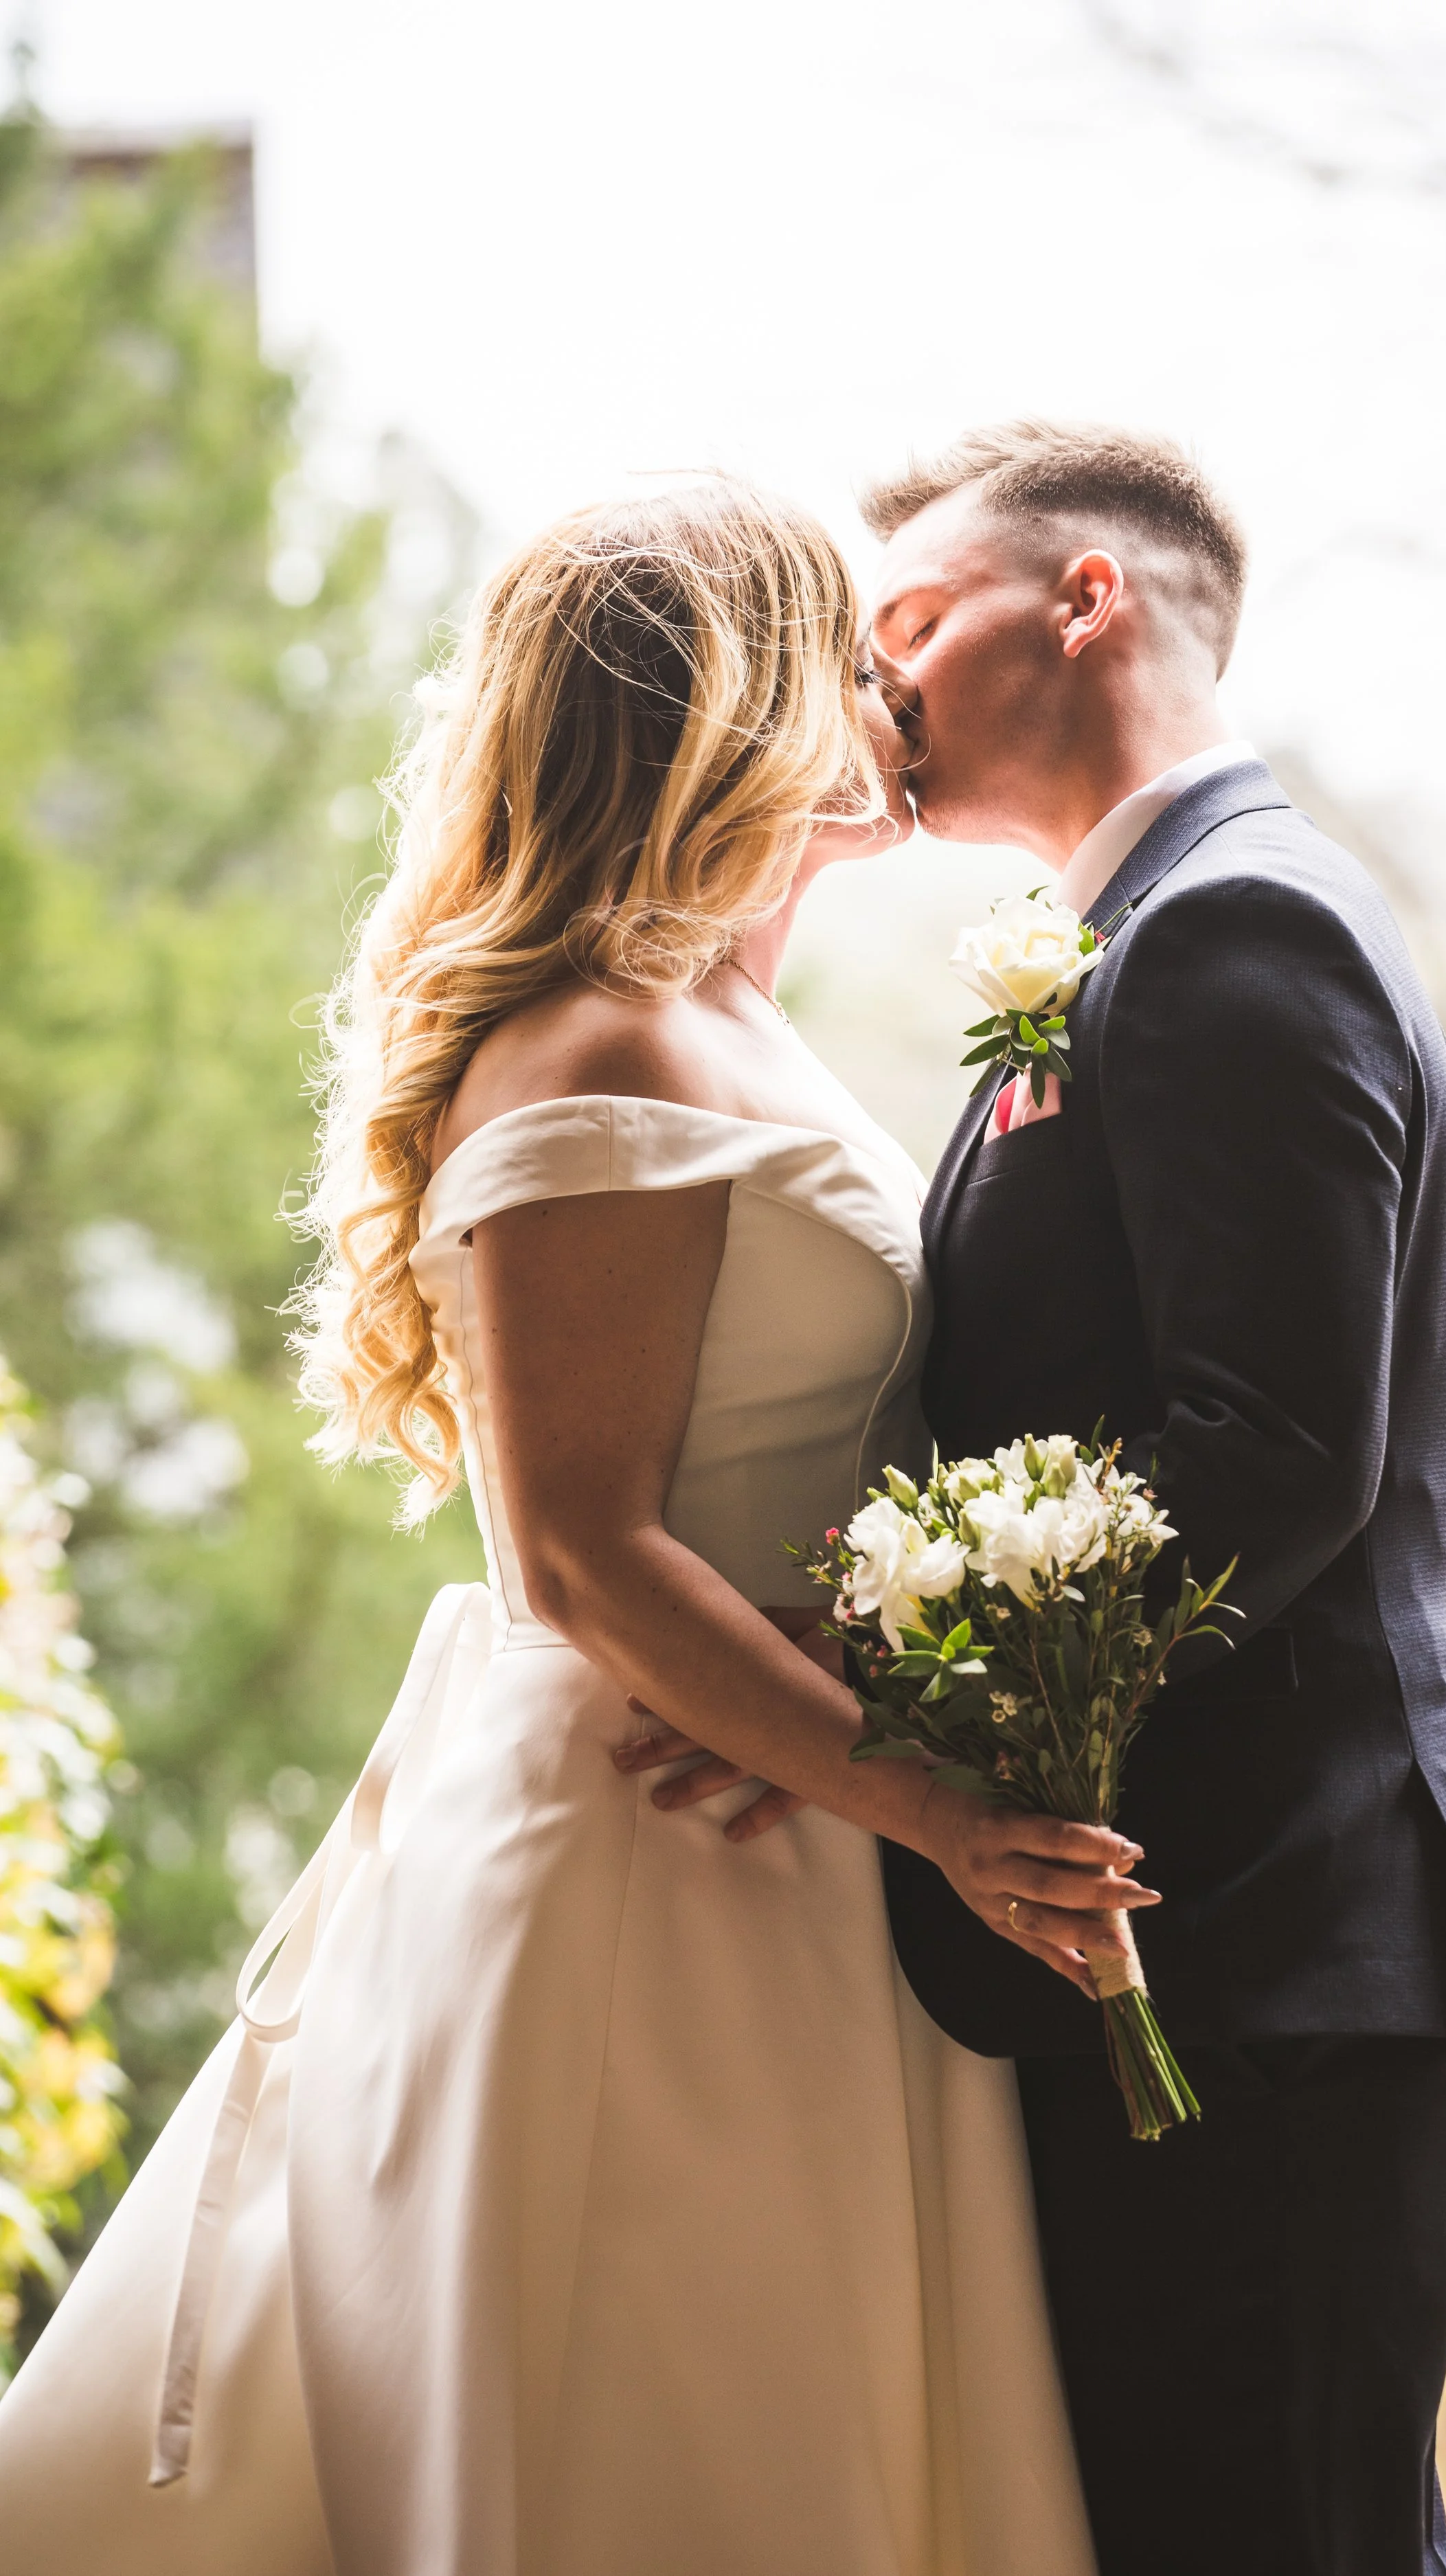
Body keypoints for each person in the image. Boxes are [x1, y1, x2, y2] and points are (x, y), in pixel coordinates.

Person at [0, 482, 1116, 2576]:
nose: (874, 692)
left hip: (775, 1811)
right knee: (656, 2434)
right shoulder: (598, 1043)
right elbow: (587, 1549)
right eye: (828, 651)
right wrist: (935, 1806)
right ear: (725, 699)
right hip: (658, 1847)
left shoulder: (718, 1006)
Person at [852, 420, 1446, 2575]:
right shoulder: (1138, 932)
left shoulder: (1238, 923)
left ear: (1086, 600)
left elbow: (1276, 1449)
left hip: (1286, 1935)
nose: (870, 686)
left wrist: (892, 1681)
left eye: (910, 621)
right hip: (1231, 1937)